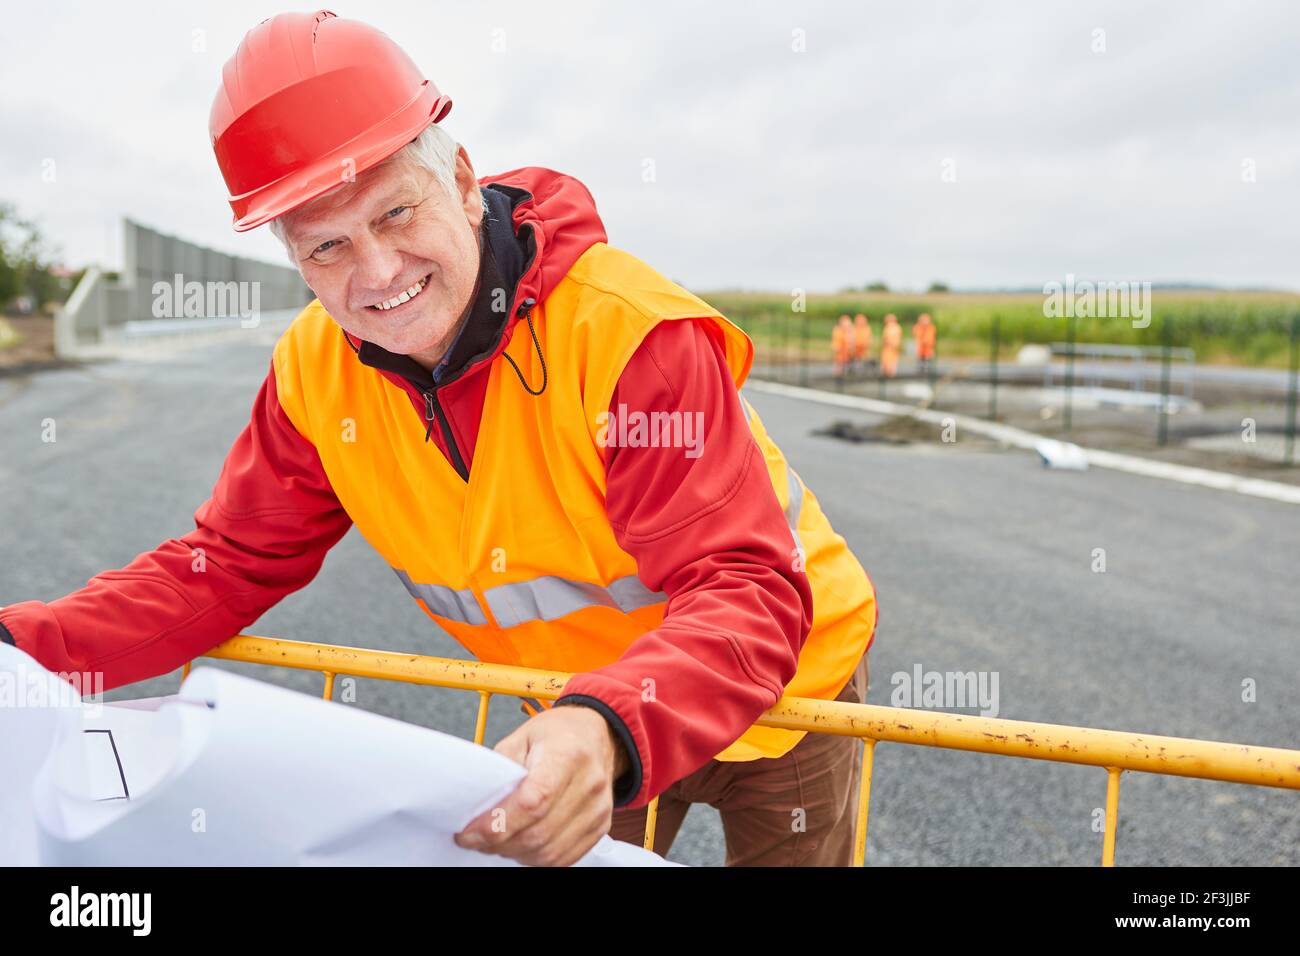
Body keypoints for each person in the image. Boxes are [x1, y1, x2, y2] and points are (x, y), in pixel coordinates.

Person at [0, 10, 877, 867]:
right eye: (327, 247)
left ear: (460, 180)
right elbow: (227, 563)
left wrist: (607, 724)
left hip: (786, 691)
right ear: (292, 258)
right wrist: (18, 650)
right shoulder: (315, 369)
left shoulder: (623, 332)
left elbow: (747, 586)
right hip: (576, 717)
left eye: (394, 214)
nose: (377, 274)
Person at [880, 313, 902, 378]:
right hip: (891, 348)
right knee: (890, 361)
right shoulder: (897, 327)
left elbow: (886, 338)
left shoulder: (892, 328)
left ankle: (889, 373)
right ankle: (889, 373)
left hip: (890, 348)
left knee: (889, 362)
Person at [831, 313, 853, 378]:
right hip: (840, 351)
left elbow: (850, 340)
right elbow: (835, 341)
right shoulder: (837, 330)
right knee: (839, 363)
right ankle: (838, 375)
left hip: (846, 351)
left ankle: (844, 374)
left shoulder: (849, 331)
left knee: (846, 363)